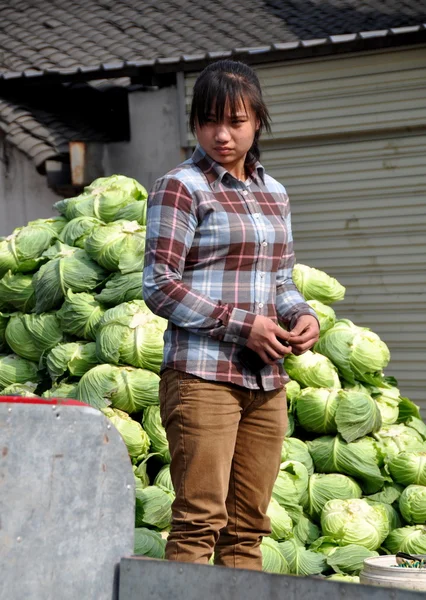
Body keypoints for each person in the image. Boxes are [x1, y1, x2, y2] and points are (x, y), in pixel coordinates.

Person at [143, 59, 319, 570]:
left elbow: (280, 281)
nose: (222, 135)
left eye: (236, 121)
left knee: (247, 532)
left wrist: (303, 315)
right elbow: (159, 285)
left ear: (257, 120)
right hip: (202, 376)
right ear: (195, 123)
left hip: (266, 381)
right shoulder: (181, 186)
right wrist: (244, 324)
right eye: (209, 121)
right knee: (199, 522)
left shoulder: (274, 193)